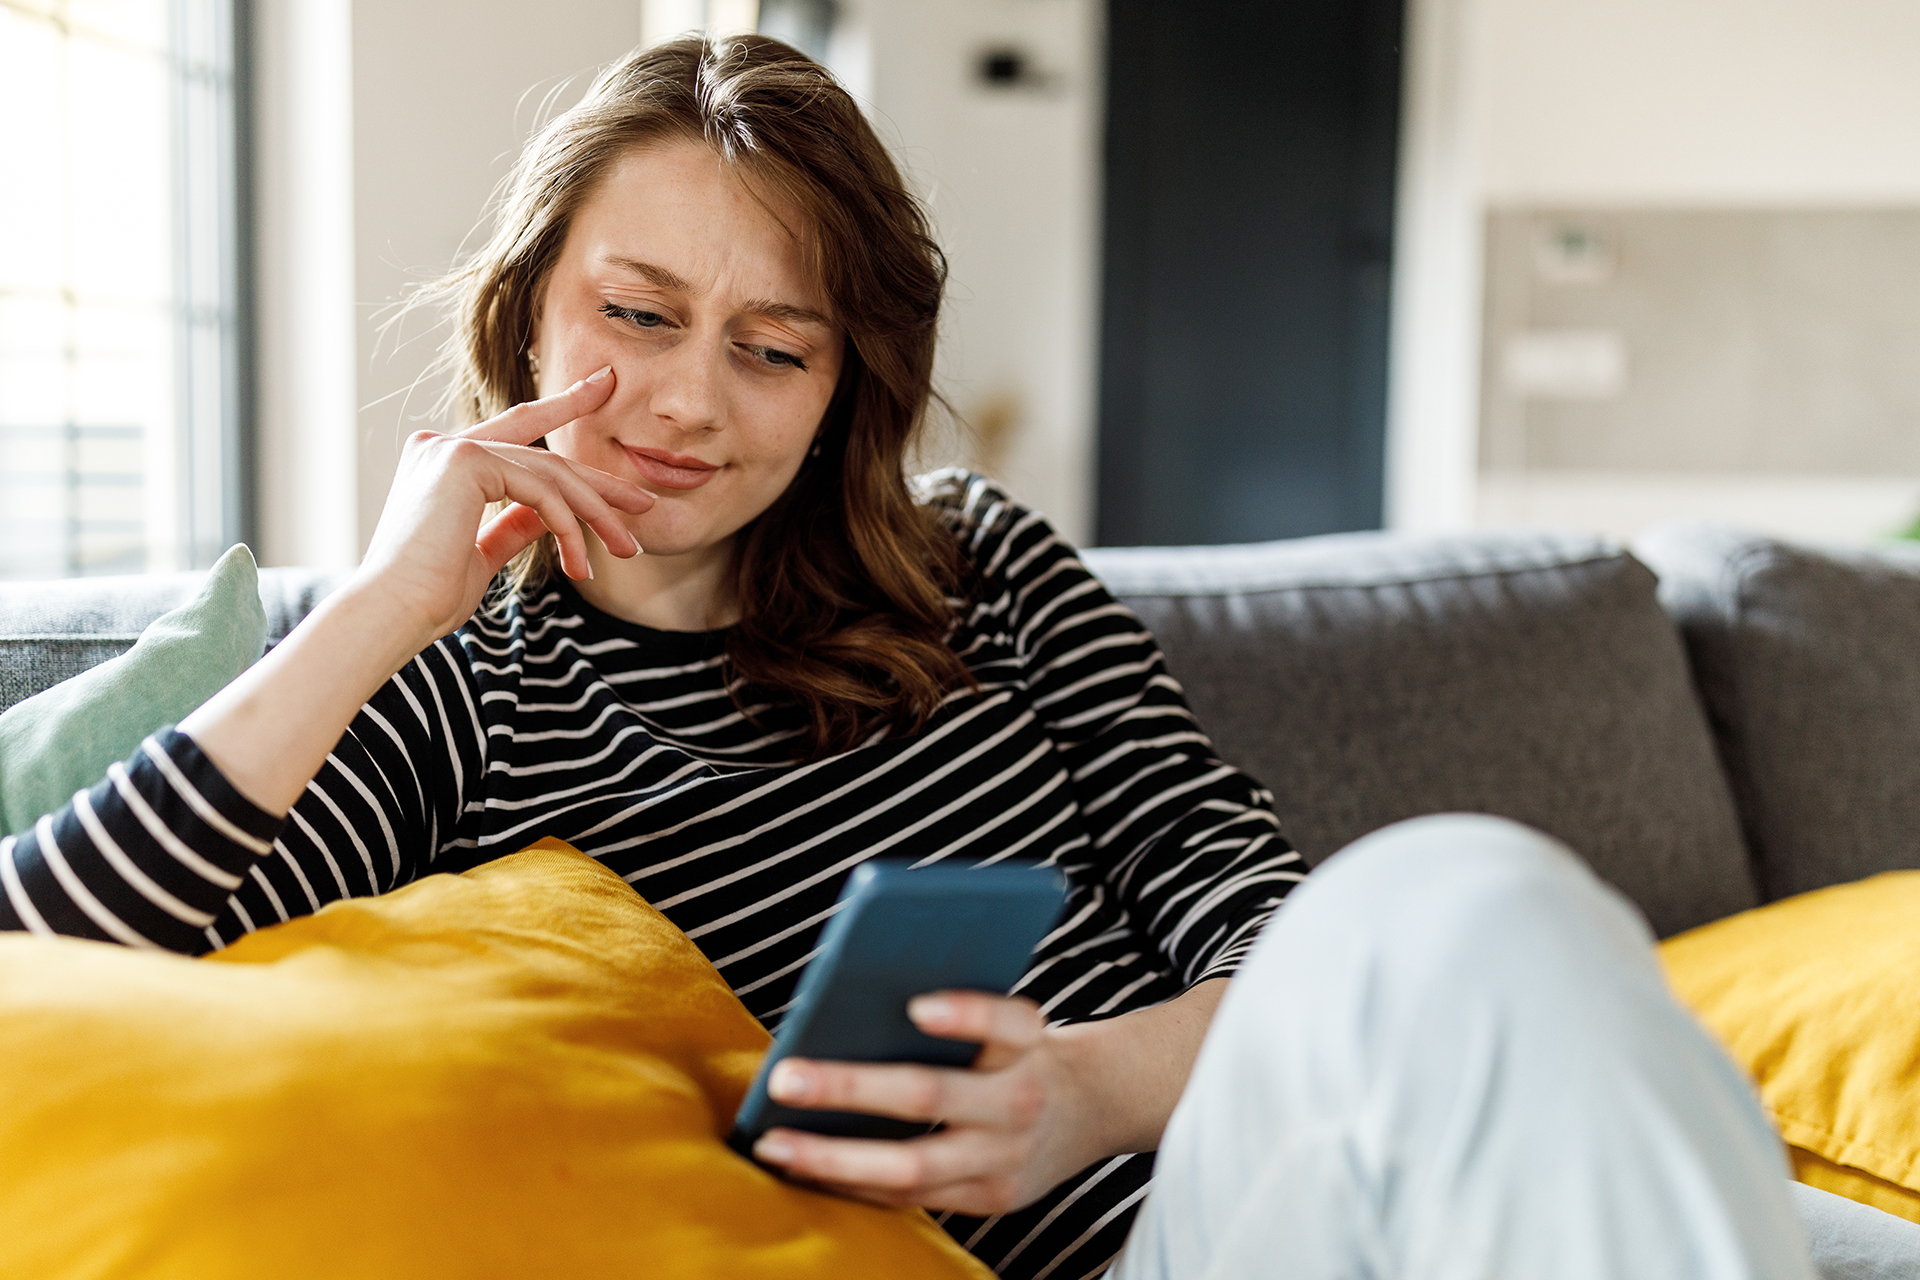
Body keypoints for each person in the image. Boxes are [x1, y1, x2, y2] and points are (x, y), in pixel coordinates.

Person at [0, 34, 1880, 1280]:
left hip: (1289, 1189)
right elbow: (54, 957)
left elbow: (1265, 927)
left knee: (1508, 961)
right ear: (524, 312)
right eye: (634, 314)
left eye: (772, 347)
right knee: (1469, 905)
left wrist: (1085, 1091)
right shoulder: (453, 702)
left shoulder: (977, 563)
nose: (680, 404)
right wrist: (383, 602)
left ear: (843, 389)